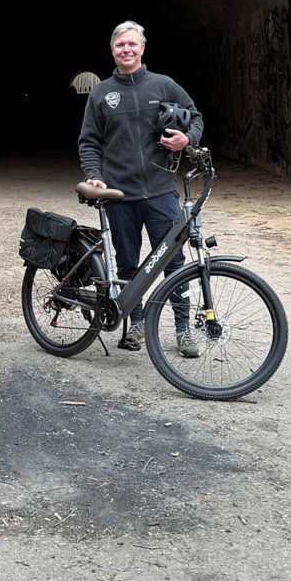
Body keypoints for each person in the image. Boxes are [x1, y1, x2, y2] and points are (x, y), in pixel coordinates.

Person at [78, 20, 203, 356]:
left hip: (161, 191)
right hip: (120, 194)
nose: (127, 50)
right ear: (112, 51)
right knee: (129, 265)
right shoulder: (102, 93)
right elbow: (89, 141)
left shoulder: (164, 85)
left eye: (132, 44)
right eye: (120, 46)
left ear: (143, 48)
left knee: (174, 264)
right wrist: (94, 173)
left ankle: (183, 331)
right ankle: (135, 325)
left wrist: (186, 140)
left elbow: (195, 116)